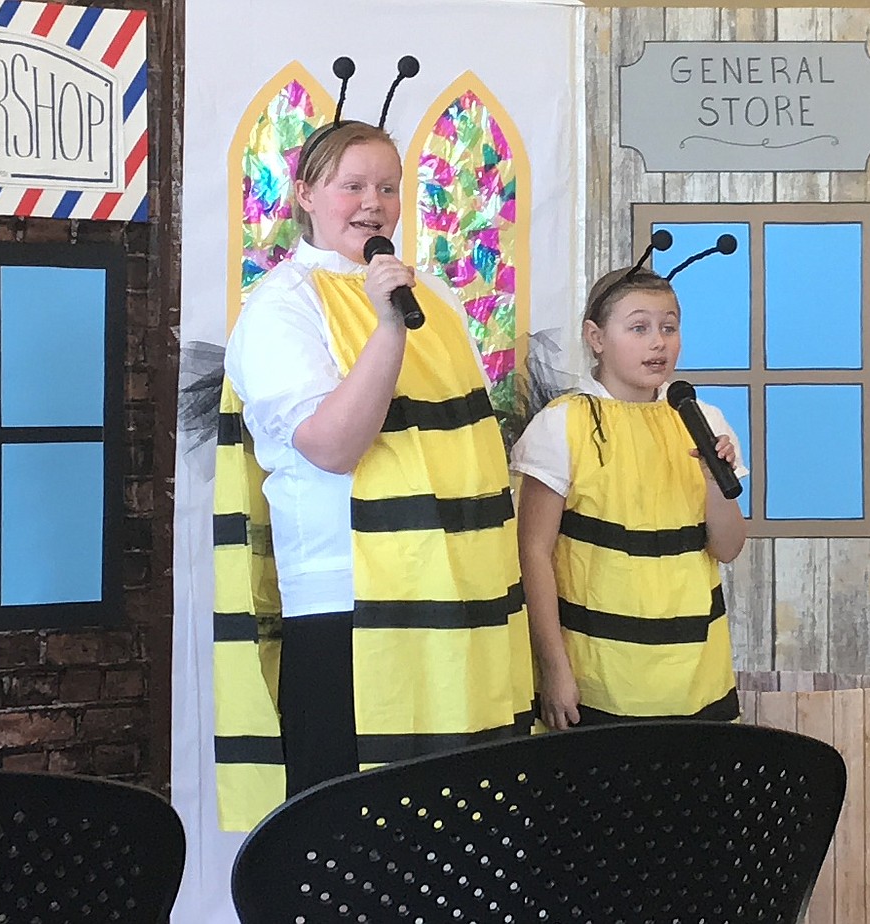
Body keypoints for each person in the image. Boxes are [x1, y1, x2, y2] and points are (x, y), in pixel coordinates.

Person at [214, 113, 533, 826]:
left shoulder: (439, 299)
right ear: (304, 193)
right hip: (347, 606)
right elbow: (330, 445)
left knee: (462, 829)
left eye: (387, 187)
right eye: (351, 184)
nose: (373, 203)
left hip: (459, 601)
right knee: (357, 835)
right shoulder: (281, 308)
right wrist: (387, 327)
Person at [511, 263, 747, 730]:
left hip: (697, 673)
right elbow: (532, 553)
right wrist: (555, 668)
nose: (658, 342)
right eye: (638, 327)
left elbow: (728, 547)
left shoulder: (704, 419)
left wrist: (713, 478)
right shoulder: (564, 423)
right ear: (596, 338)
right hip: (598, 672)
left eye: (669, 327)